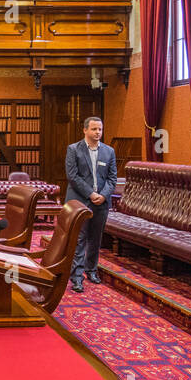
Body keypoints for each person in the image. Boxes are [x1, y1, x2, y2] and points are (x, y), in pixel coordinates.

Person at [64, 116, 117, 293]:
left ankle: (91, 270)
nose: (97, 132)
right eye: (94, 129)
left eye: (100, 129)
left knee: (96, 238)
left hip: (101, 202)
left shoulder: (109, 152)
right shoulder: (74, 150)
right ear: (85, 130)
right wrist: (91, 193)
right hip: (80, 201)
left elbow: (112, 178)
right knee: (79, 239)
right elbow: (73, 176)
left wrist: (102, 195)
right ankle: (77, 277)